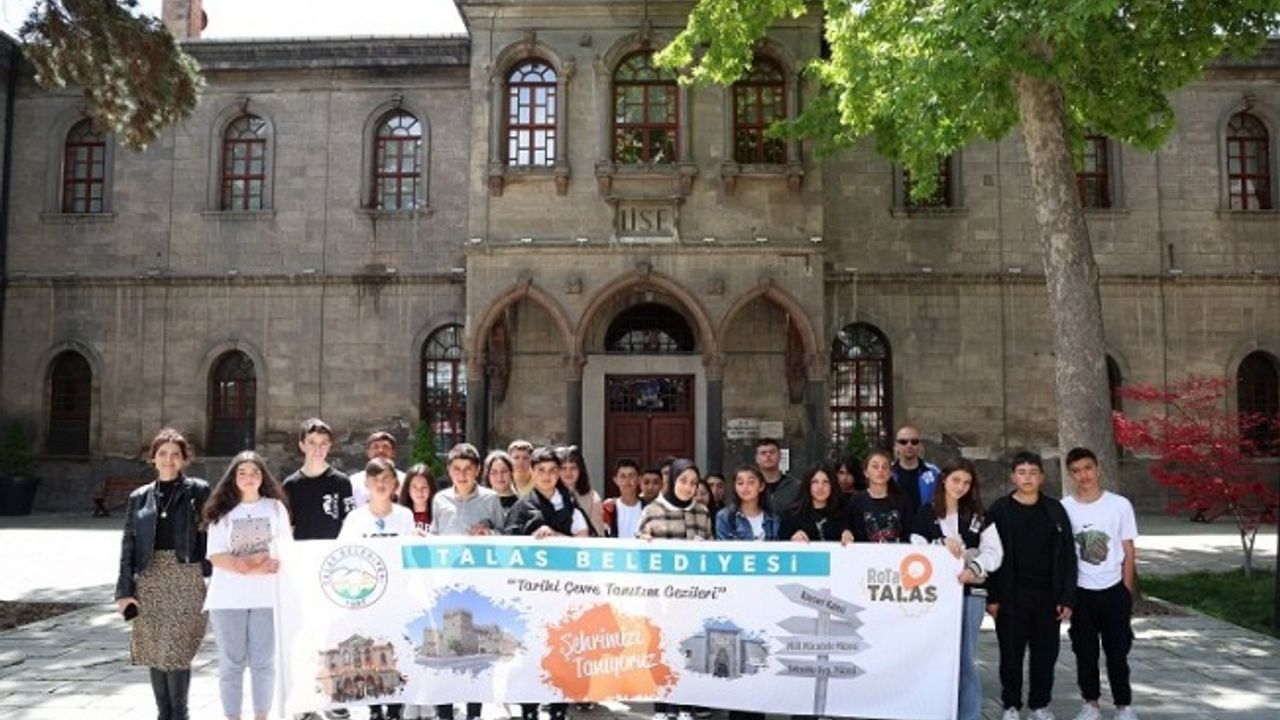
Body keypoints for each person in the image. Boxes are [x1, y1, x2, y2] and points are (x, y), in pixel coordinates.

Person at [115, 428, 211, 720]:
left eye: (175, 454)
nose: (169, 460)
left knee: (177, 649)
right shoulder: (139, 497)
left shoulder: (198, 491)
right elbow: (128, 544)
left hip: (186, 576)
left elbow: (212, 534)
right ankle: (163, 714)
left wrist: (214, 574)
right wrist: (124, 591)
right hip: (150, 577)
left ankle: (180, 713)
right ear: (153, 458)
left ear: (184, 459)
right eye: (163, 454)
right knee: (155, 650)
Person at [910, 457, 1003, 720]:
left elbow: (994, 552)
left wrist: (976, 568)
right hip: (934, 597)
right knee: (934, 656)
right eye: (956, 480)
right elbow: (916, 548)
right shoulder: (925, 513)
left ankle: (968, 715)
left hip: (970, 595)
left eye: (966, 482)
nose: (960, 486)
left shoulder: (978, 515)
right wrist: (940, 544)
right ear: (944, 480)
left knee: (965, 658)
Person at [987, 451, 1077, 720]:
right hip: (1011, 596)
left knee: (1045, 655)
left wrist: (1067, 597)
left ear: (1042, 477)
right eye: (1022, 473)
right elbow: (989, 554)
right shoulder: (1000, 510)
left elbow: (1068, 555)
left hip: (1048, 596)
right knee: (1011, 655)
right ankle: (1011, 705)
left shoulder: (1054, 510)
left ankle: (1040, 705)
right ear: (1013, 476)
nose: (1027, 478)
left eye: (1033, 473)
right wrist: (993, 597)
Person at [203, 450, 290, 720]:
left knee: (264, 663)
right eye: (242, 472)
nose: (249, 477)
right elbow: (216, 556)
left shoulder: (275, 508)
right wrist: (254, 565)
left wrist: (258, 564)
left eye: (254, 472)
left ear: (263, 477)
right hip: (228, 599)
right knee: (232, 664)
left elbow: (285, 549)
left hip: (267, 598)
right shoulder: (221, 512)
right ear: (233, 478)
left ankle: (261, 716)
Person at [505, 446, 588, 720]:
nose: (547, 476)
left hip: (564, 592)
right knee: (530, 652)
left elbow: (584, 545)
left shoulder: (571, 507)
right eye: (541, 470)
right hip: (530, 593)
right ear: (531, 472)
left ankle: (558, 709)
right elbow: (508, 548)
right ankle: (529, 708)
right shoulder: (521, 507)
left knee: (561, 652)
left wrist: (555, 536)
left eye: (553, 470)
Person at [1062, 448, 1140, 720]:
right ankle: (1090, 704)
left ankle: (1123, 705)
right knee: (1085, 652)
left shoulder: (1119, 505)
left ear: (1098, 469)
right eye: (1076, 471)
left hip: (1113, 589)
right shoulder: (1065, 507)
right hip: (1081, 591)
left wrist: (1125, 591)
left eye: (1088, 468)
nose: (1083, 475)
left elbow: (1128, 550)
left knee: (1117, 652)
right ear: (1070, 474)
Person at [431, 443, 503, 720]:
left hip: (478, 582)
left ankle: (474, 711)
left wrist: (490, 534)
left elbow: (505, 535)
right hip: (446, 582)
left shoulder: (490, 499)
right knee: (445, 647)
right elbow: (435, 536)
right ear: (449, 470)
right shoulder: (440, 500)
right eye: (456, 469)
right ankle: (445, 710)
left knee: (475, 649)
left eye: (467, 469)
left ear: (477, 471)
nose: (462, 475)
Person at [638, 458, 712, 720]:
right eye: (683, 481)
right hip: (660, 598)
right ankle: (662, 706)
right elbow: (639, 551)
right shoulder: (652, 510)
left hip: (692, 597)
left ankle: (685, 705)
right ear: (672, 481)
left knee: (689, 649)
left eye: (693, 483)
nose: (688, 487)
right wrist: (643, 543)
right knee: (661, 648)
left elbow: (711, 552)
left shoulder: (702, 513)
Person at [713, 465, 778, 720]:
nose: (745, 487)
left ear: (761, 486)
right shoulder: (725, 517)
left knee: (760, 657)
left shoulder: (774, 518)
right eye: (740, 482)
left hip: (766, 598)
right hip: (736, 597)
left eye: (751, 481)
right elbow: (725, 557)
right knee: (736, 659)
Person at [281, 418, 353, 541]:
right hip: (302, 549)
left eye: (323, 443)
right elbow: (287, 526)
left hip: (332, 549)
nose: (318, 449)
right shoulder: (290, 485)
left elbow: (350, 522)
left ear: (329, 446)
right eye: (312, 443)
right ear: (302, 445)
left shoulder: (342, 482)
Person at [341, 458, 416, 539]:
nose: (380, 484)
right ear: (366, 483)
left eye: (385, 478)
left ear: (394, 482)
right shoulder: (354, 518)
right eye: (375, 479)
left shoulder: (405, 516)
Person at [849, 449, 913, 543]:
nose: (880, 470)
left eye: (884, 467)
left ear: (890, 473)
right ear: (866, 472)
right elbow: (851, 528)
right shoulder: (857, 500)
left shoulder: (903, 500)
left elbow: (909, 533)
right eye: (875, 466)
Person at [780, 464, 853, 544]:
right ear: (808, 485)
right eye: (815, 482)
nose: (820, 487)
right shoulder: (791, 515)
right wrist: (792, 538)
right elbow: (781, 543)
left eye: (825, 482)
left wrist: (849, 534)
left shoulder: (844, 513)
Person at [891, 424, 943, 516]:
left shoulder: (934, 472)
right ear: (896, 445)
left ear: (920, 445)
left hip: (925, 523)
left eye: (914, 442)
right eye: (903, 442)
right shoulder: (887, 472)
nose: (909, 445)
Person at [349, 431, 406, 508]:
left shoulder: (405, 480)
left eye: (385, 447)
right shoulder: (354, 481)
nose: (380, 450)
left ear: (393, 453)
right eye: (375, 447)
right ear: (368, 452)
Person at [560, 446, 604, 536]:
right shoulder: (550, 494)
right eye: (563, 468)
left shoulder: (593, 498)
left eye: (573, 468)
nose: (568, 473)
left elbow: (598, 533)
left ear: (580, 470)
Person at [601, 458, 647, 539]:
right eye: (623, 476)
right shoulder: (608, 509)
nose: (627, 480)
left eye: (631, 476)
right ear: (615, 480)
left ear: (639, 479)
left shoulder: (648, 508)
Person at [755, 438, 801, 514]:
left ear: (780, 456)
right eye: (763, 453)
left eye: (772, 452)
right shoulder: (751, 486)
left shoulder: (796, 487)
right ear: (757, 458)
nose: (768, 455)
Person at [399, 464, 436, 535]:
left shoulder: (439, 514)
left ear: (431, 488)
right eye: (414, 487)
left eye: (424, 487)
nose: (419, 492)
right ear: (408, 489)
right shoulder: (400, 515)